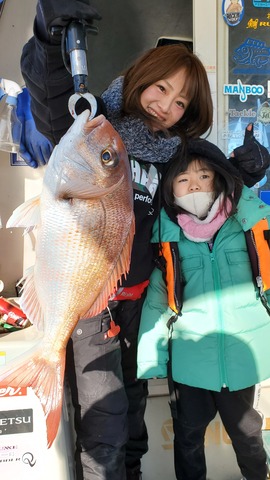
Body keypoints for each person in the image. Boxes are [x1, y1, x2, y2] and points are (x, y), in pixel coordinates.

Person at [20, 1, 270, 479]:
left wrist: (251, 169)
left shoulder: (174, 152)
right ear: (141, 77)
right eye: (162, 88)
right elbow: (50, 95)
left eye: (181, 103)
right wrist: (49, 39)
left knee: (133, 421)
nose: (167, 106)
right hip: (90, 305)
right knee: (104, 425)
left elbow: (215, 180)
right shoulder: (91, 124)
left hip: (139, 308)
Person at [137, 138, 270, 480]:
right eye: (182, 178)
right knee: (188, 435)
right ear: (170, 190)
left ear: (220, 179)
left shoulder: (246, 224)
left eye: (204, 175)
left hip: (242, 358)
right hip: (190, 362)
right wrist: (152, 358)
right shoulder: (168, 239)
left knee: (248, 433)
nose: (193, 184)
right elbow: (157, 301)